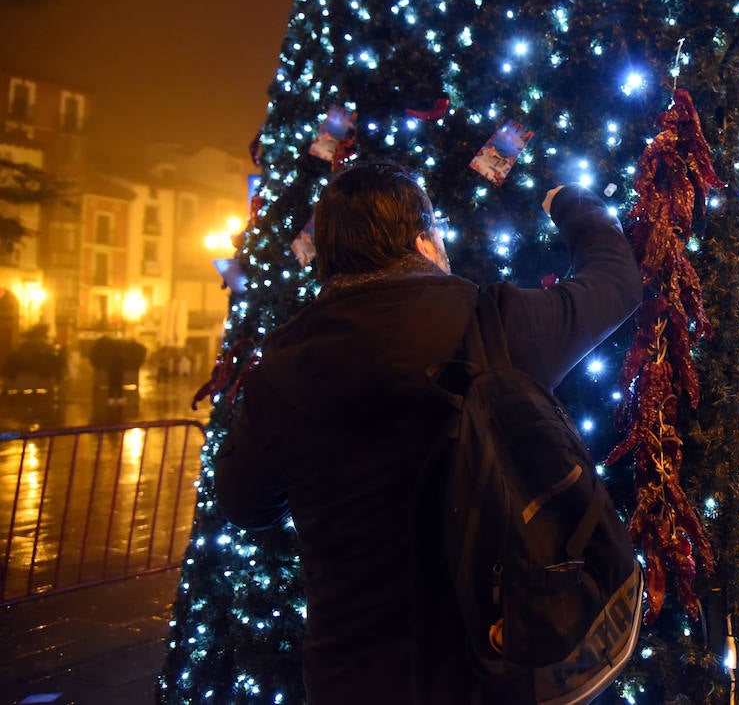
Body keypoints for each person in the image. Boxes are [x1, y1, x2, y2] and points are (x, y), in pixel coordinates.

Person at [214, 161, 642, 703]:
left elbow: (244, 502)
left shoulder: (282, 366)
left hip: (353, 674)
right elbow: (614, 282)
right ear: (422, 242)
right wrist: (573, 202)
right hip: (491, 666)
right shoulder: (490, 324)